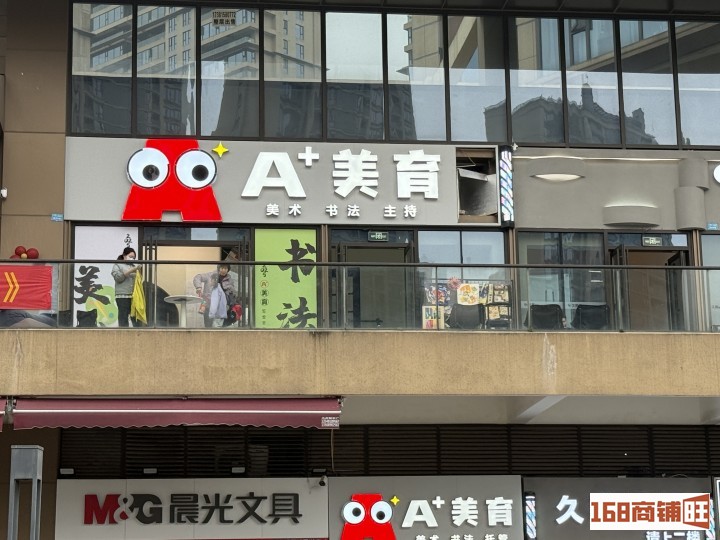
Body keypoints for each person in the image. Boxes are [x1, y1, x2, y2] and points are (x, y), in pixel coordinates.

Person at [193, 263, 237, 328]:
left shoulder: (229, 280)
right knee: (208, 326)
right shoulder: (210, 275)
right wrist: (198, 287)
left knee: (220, 327)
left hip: (222, 308)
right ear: (219, 268)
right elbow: (197, 277)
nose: (223, 270)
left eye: (225, 268)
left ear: (228, 270)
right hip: (209, 305)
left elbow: (232, 293)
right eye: (222, 268)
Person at [111, 247, 140, 327]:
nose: (132, 259)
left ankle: (137, 331)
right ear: (124, 255)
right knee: (123, 315)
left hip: (134, 295)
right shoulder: (118, 265)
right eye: (130, 257)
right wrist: (132, 270)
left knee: (135, 316)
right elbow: (118, 278)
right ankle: (123, 331)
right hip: (122, 295)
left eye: (134, 258)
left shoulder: (134, 265)